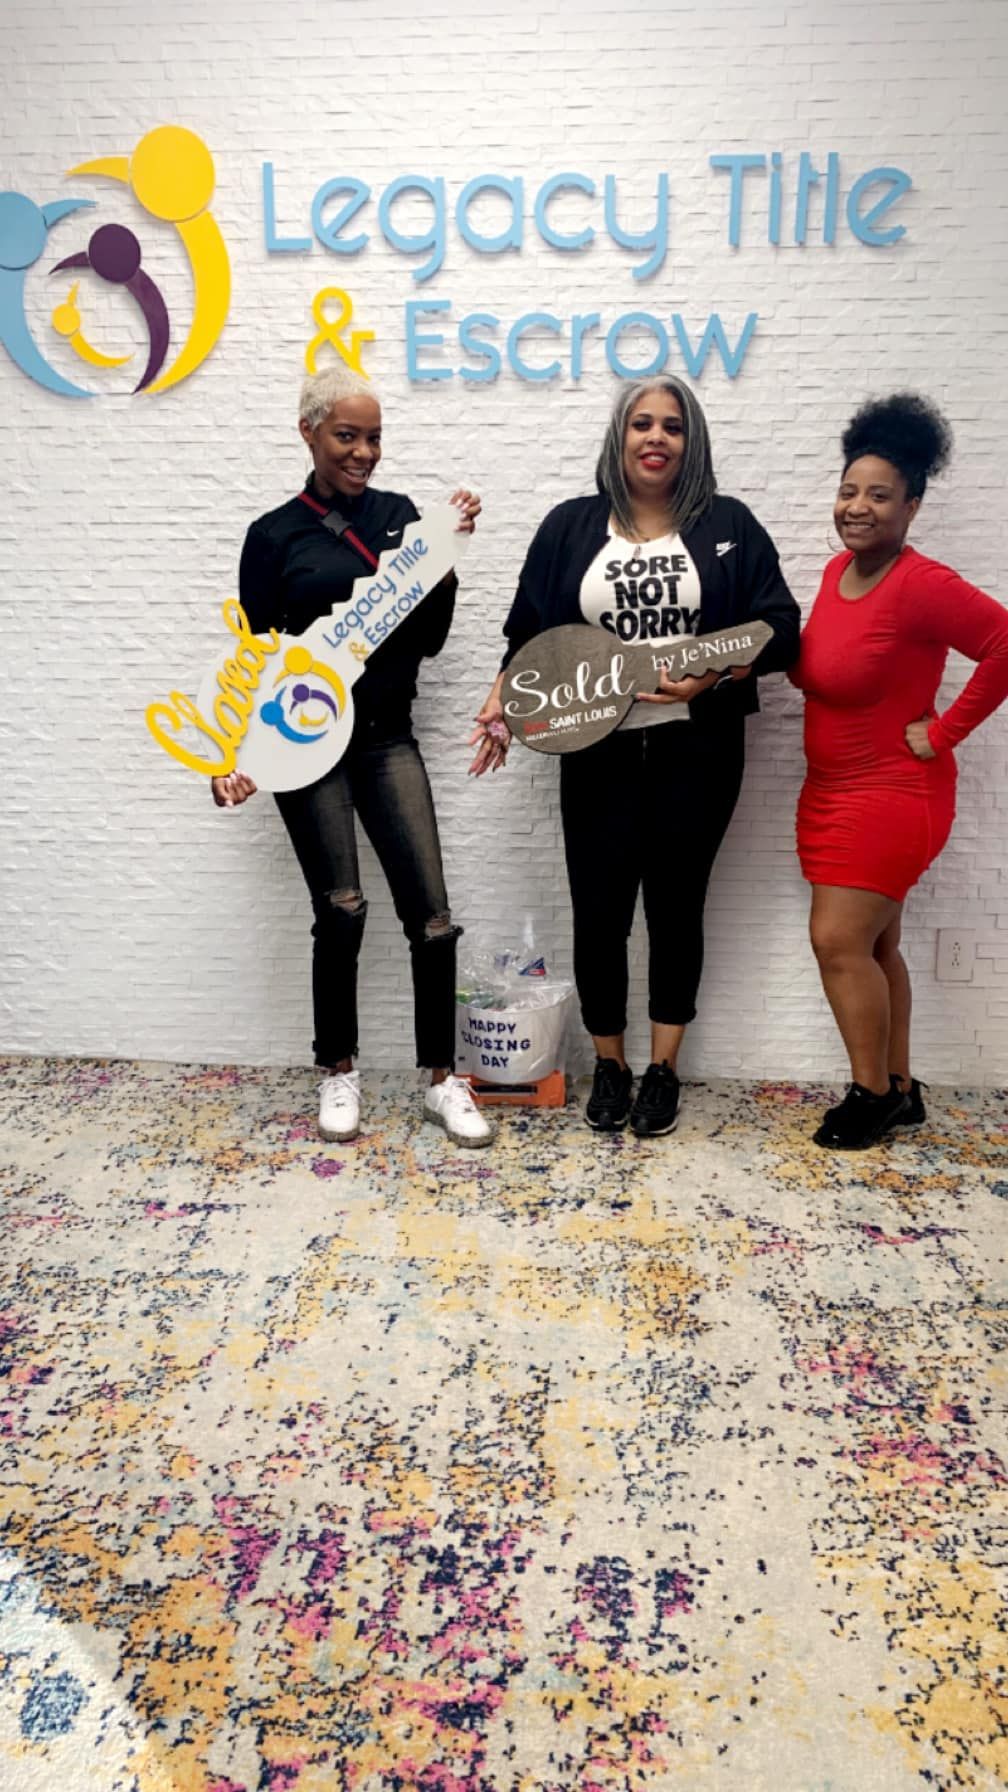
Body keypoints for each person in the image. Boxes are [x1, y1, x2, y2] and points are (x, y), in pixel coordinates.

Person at [470, 376, 800, 1136]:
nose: (657, 438)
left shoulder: (729, 526)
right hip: (597, 753)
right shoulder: (569, 527)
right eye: (641, 424)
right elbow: (525, 635)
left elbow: (782, 628)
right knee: (600, 914)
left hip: (699, 752)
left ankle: (663, 1069)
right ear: (619, 438)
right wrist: (500, 703)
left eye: (673, 426)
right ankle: (611, 1064)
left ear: (693, 442)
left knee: (678, 910)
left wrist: (713, 667)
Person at [212, 365, 493, 1149]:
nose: (364, 451)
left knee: (432, 918)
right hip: (303, 751)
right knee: (341, 909)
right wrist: (237, 756)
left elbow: (429, 639)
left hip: (385, 738)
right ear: (308, 433)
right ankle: (338, 1069)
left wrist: (441, 557)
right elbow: (253, 660)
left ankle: (442, 1080)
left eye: (374, 436)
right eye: (348, 435)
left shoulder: (401, 516)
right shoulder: (273, 537)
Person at [791, 393, 1008, 1150]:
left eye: (878, 495)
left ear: (912, 505)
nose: (857, 507)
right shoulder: (832, 574)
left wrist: (946, 730)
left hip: (891, 795)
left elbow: (1003, 642)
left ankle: (869, 1095)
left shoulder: (922, 582)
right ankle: (902, 1088)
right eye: (849, 491)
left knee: (836, 942)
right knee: (876, 948)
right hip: (829, 792)